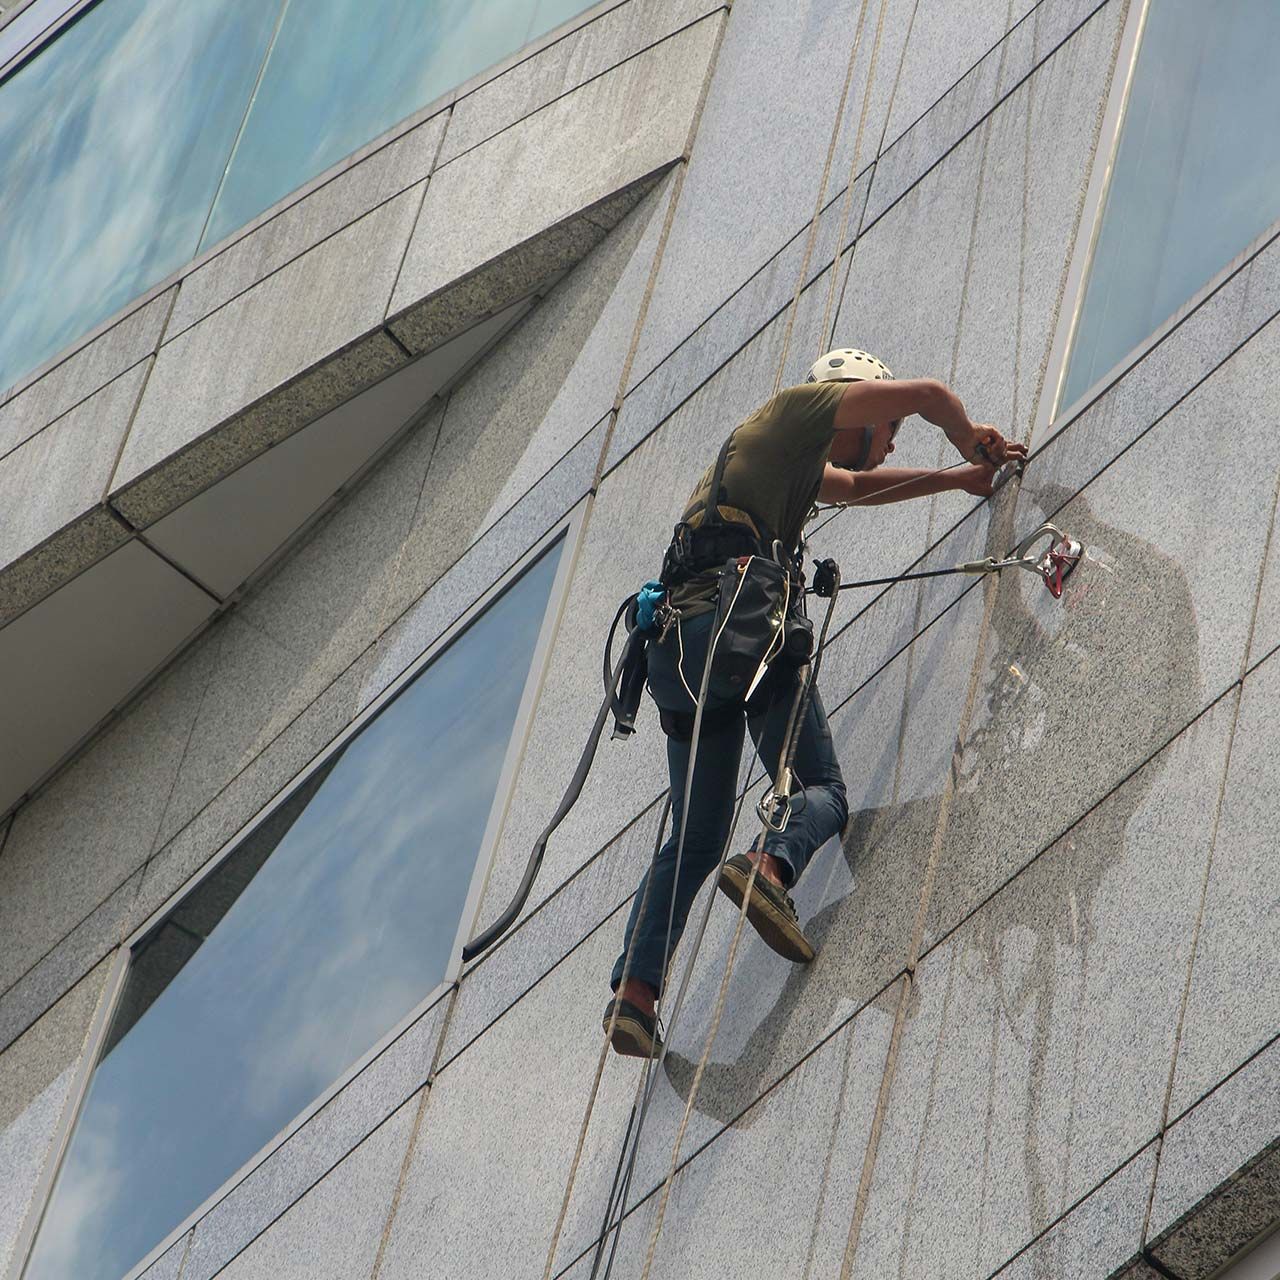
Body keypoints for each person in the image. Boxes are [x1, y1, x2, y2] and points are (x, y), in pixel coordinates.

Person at [602, 349, 1028, 1057]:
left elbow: (857, 487)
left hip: (678, 655)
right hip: (740, 633)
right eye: (885, 427)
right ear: (855, 403)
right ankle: (771, 865)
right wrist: (969, 437)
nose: (887, 443)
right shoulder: (794, 412)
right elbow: (928, 393)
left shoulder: (777, 465)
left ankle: (635, 994)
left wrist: (957, 482)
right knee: (823, 789)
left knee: (696, 836)